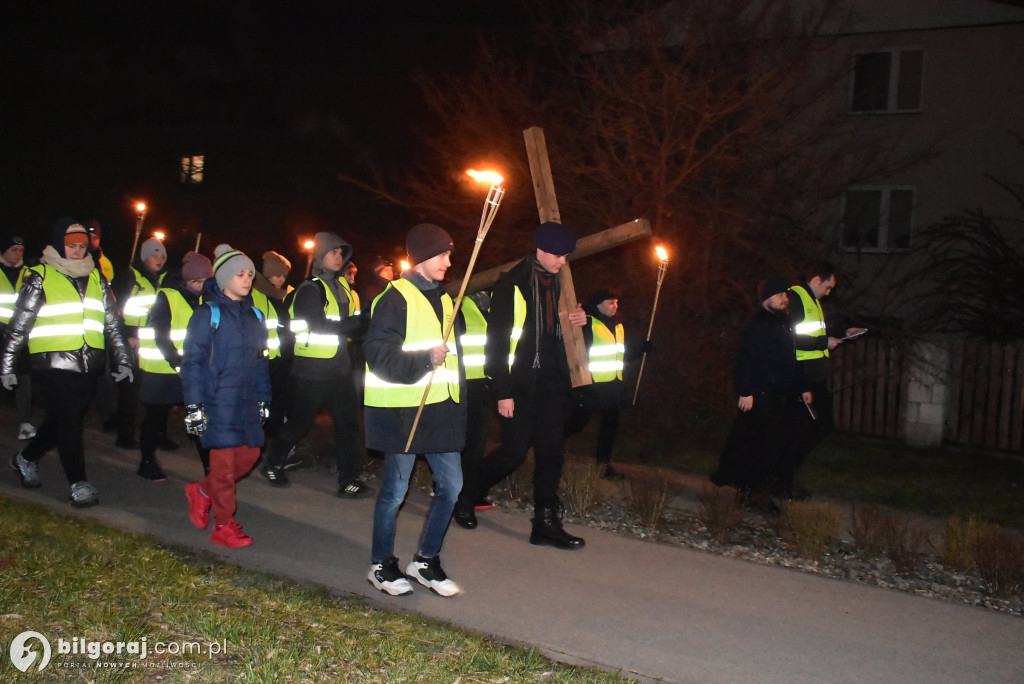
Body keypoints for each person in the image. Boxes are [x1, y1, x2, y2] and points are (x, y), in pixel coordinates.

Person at [453, 221, 588, 550]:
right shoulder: (511, 283)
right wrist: (503, 392)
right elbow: (496, 343)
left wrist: (580, 324)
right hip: (519, 385)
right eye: (559, 255)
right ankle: (464, 496)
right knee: (513, 453)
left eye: (567, 256)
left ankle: (544, 524)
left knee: (552, 452)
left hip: (553, 383)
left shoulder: (563, 286)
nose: (563, 262)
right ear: (541, 250)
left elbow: (570, 338)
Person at [2, 217, 132, 507]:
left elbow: (112, 322)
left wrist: (123, 359)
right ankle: (79, 484)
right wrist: (7, 365)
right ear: (59, 244)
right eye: (71, 245)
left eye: (81, 245)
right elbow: (19, 323)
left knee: (62, 420)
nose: (76, 250)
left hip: (89, 363)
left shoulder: (96, 277)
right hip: (51, 363)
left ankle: (25, 458)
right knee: (71, 422)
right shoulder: (39, 275)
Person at [364, 223, 465, 597]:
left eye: (450, 254)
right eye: (442, 254)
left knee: (452, 485)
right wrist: (425, 358)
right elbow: (377, 354)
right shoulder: (395, 298)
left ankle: (425, 561)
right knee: (395, 490)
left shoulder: (446, 299)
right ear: (421, 256)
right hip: (403, 411)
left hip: (440, 411)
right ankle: (381, 564)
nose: (448, 262)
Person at [262, 232, 372, 497]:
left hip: (341, 369)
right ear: (320, 256)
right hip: (312, 371)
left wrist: (362, 326)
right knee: (300, 423)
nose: (338, 257)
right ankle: (273, 462)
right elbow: (317, 324)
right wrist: (354, 326)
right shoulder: (310, 288)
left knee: (348, 425)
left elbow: (352, 326)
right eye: (332, 252)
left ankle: (347, 480)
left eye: (340, 253)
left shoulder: (343, 288)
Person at [181, 244, 270, 548]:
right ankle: (223, 524)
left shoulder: (255, 315)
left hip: (245, 401)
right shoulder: (208, 314)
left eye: (250, 274)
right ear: (223, 278)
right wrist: (194, 405)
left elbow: (261, 360)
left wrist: (263, 399)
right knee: (222, 469)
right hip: (217, 402)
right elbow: (192, 361)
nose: (247, 279)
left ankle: (201, 492)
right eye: (240, 274)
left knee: (250, 455)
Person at [711, 278, 812, 508]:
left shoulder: (785, 324)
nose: (784, 300)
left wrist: (802, 386)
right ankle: (755, 493)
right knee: (763, 445)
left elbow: (793, 359)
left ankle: (750, 489)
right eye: (779, 296)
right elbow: (745, 360)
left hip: (779, 395)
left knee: (764, 444)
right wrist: (746, 391)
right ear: (766, 299)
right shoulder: (757, 326)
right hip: (760, 395)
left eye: (785, 296)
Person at [786, 263, 865, 497]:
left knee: (816, 427)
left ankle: (786, 479)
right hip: (802, 375)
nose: (829, 293)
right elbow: (791, 338)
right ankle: (784, 481)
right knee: (805, 429)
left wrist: (843, 334)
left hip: (813, 375)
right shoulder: (797, 297)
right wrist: (824, 343)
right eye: (828, 287)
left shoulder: (812, 300)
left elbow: (817, 333)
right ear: (817, 280)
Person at [136, 251, 214, 481]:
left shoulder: (206, 300)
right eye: (196, 281)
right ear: (185, 279)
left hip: (192, 371)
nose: (200, 286)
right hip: (162, 369)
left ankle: (210, 470)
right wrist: (177, 363)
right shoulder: (166, 297)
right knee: (155, 418)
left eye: (204, 281)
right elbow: (161, 335)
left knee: (199, 418)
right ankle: (147, 461)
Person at [563, 290, 642, 481]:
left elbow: (620, 354)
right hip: (592, 386)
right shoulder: (589, 322)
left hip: (612, 387)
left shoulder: (618, 325)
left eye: (616, 303)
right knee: (577, 423)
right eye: (610, 303)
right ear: (598, 304)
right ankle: (543, 444)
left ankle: (604, 465)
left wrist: (641, 349)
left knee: (610, 426)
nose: (615, 306)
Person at [113, 236, 168, 449]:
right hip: (132, 340)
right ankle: (124, 434)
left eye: (163, 256)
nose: (160, 259)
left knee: (152, 389)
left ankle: (158, 434)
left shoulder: (160, 281)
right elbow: (117, 307)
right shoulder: (131, 276)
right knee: (130, 390)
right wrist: (127, 334)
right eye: (155, 255)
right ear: (144, 256)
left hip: (151, 343)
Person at [251, 250, 293, 438]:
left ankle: (272, 435)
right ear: (267, 276)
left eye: (284, 275)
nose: (282, 279)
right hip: (263, 359)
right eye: (277, 275)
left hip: (279, 357)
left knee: (278, 400)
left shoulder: (280, 295)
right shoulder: (257, 295)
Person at [0, 233, 36, 440]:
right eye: (14, 249)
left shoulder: (29, 274)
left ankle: (25, 423)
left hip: (19, 332)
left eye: (21, 250)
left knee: (23, 377)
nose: (17, 254)